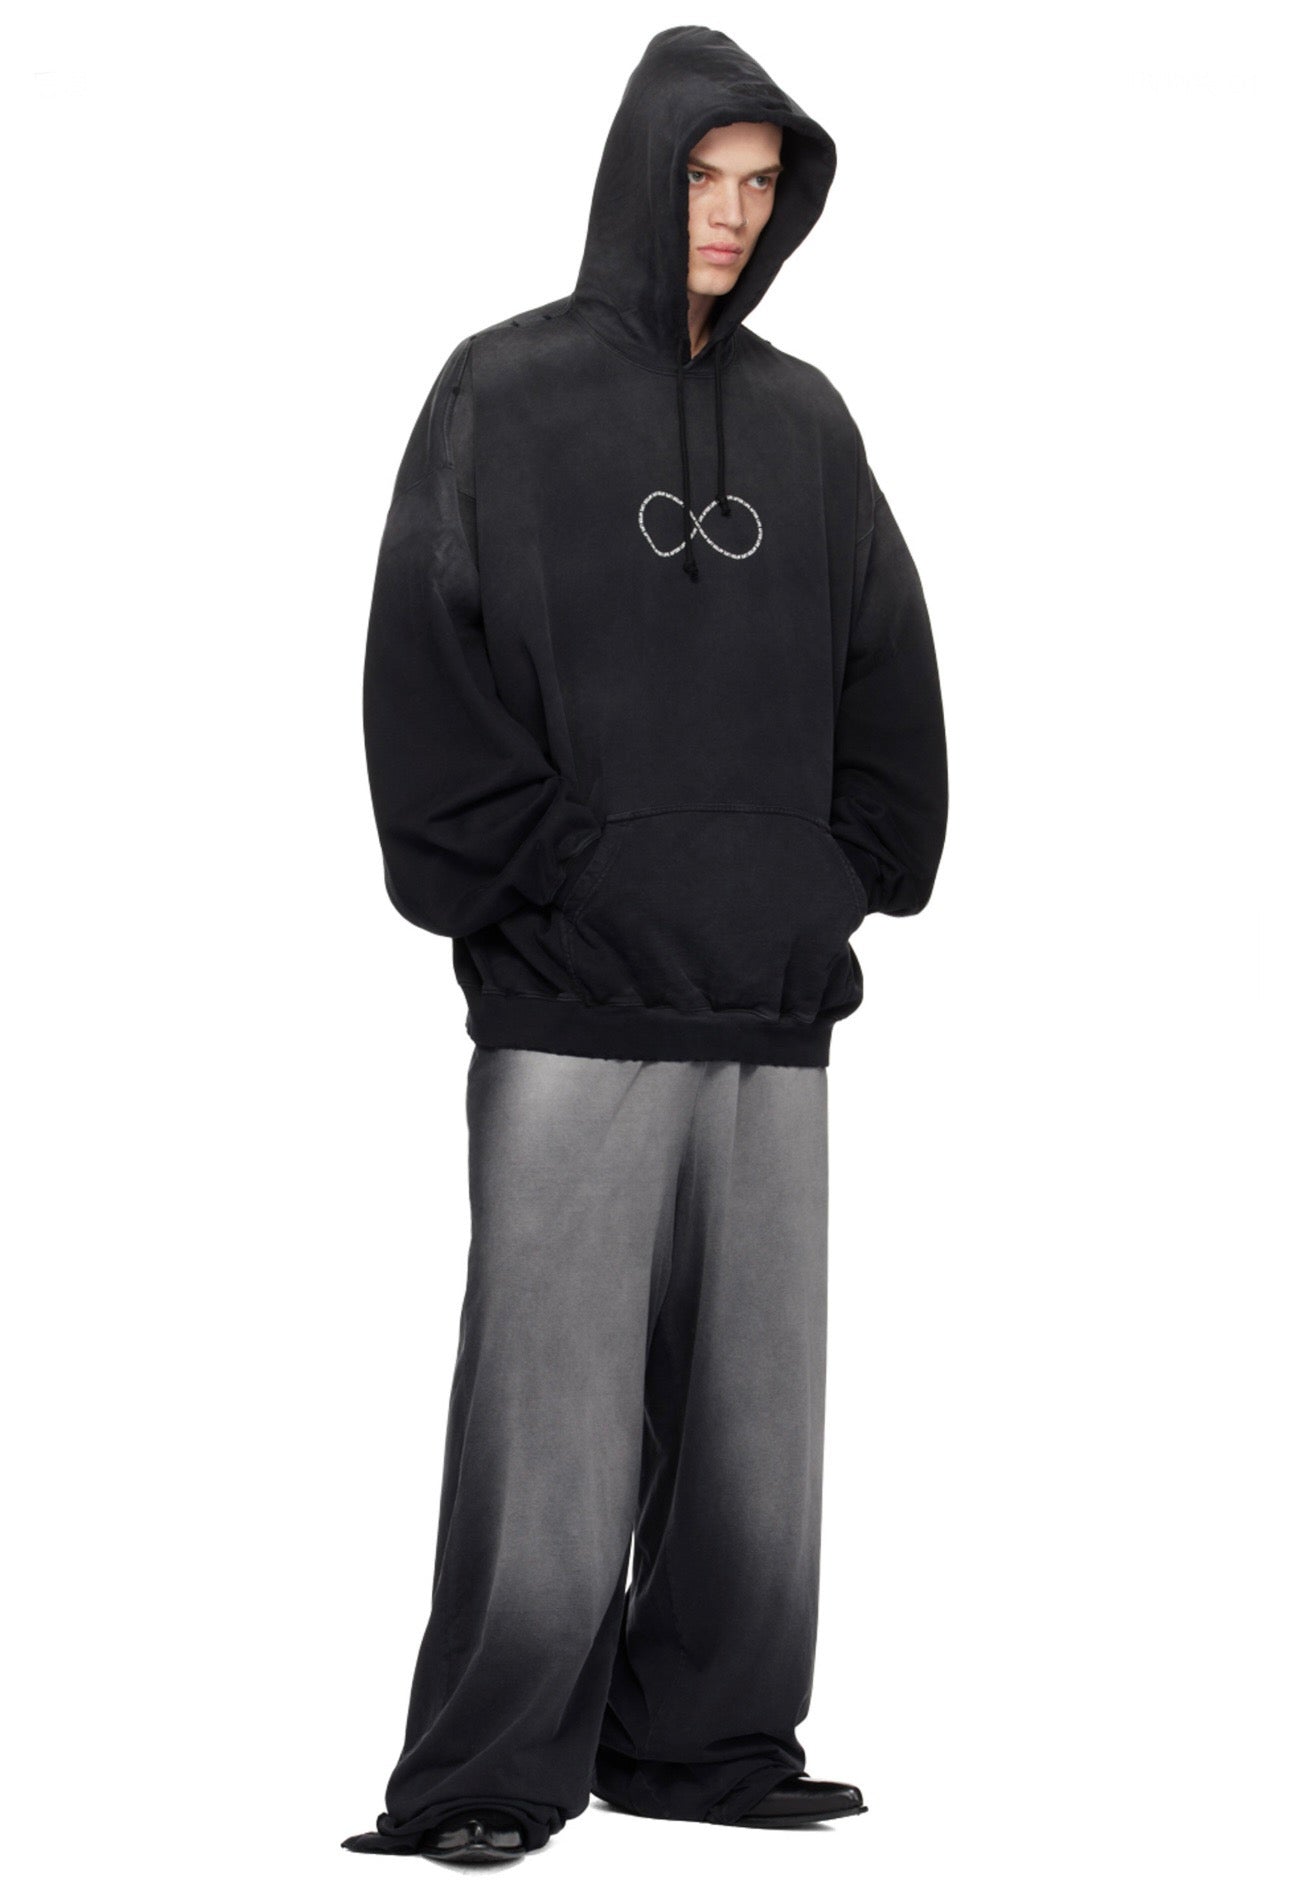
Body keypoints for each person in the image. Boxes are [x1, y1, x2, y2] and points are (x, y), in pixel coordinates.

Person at [342, 23, 948, 1869]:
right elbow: (420, 653)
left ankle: (705, 1744)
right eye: (704, 177)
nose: (733, 214)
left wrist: (839, 877)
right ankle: (486, 1771)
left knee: (758, 1417)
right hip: (568, 995)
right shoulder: (504, 391)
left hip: (767, 996)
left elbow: (888, 667)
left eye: (762, 185)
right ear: (639, 175)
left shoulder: (807, 420)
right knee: (548, 1416)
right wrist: (545, 873)